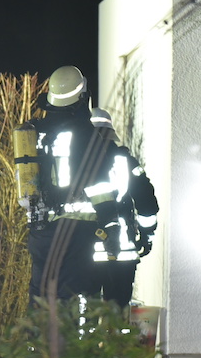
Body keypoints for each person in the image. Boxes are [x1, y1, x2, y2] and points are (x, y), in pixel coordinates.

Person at [15, 66, 121, 304]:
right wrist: (111, 223)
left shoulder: (36, 130)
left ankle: (39, 329)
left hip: (40, 229)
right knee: (71, 300)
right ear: (82, 96)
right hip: (75, 231)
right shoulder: (85, 133)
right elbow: (98, 182)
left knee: (41, 296)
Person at [88, 107, 159, 309]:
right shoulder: (126, 161)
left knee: (86, 313)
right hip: (122, 252)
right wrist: (147, 236)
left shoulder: (78, 164)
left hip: (86, 252)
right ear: (110, 132)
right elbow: (146, 201)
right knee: (117, 312)